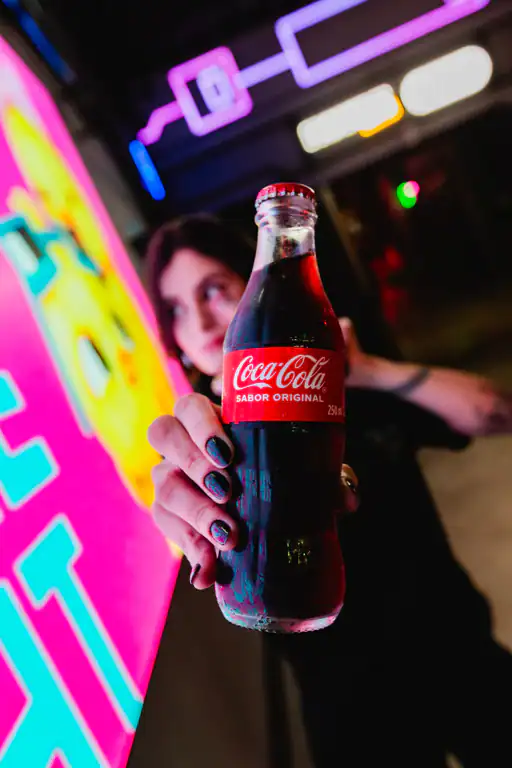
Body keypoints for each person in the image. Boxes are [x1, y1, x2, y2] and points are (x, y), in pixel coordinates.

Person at [145, 213, 512, 767]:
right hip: (350, 710)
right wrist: (189, 503)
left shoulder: (333, 374)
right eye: (174, 309)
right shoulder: (207, 433)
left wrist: (366, 371)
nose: (198, 321)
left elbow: (496, 411)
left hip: (456, 650)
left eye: (214, 290)